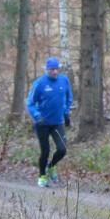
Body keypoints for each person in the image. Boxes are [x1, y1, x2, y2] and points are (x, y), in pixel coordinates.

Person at [26, 57, 73, 187]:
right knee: (45, 151)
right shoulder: (40, 83)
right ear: (47, 70)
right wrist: (37, 116)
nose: (55, 72)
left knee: (62, 150)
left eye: (56, 69)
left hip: (58, 122)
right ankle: (42, 176)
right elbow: (30, 103)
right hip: (42, 123)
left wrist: (66, 112)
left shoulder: (64, 80)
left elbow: (69, 97)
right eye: (52, 69)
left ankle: (51, 166)